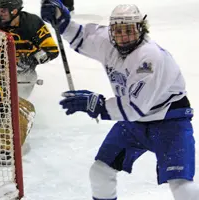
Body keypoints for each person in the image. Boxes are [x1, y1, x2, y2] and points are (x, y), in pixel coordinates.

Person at [41, 2, 199, 200]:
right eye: (118, 31)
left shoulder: (149, 58)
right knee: (100, 173)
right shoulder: (109, 42)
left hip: (169, 122)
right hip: (135, 124)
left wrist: (96, 105)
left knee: (182, 187)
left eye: (129, 30)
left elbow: (135, 108)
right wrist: (60, 19)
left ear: (141, 29)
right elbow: (82, 37)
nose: (123, 37)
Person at [0, 0, 59, 99]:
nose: (0, 14)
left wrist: (30, 61)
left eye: (3, 11)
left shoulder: (32, 23)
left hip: (25, 76)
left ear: (14, 11)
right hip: (0, 74)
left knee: (15, 102)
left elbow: (52, 51)